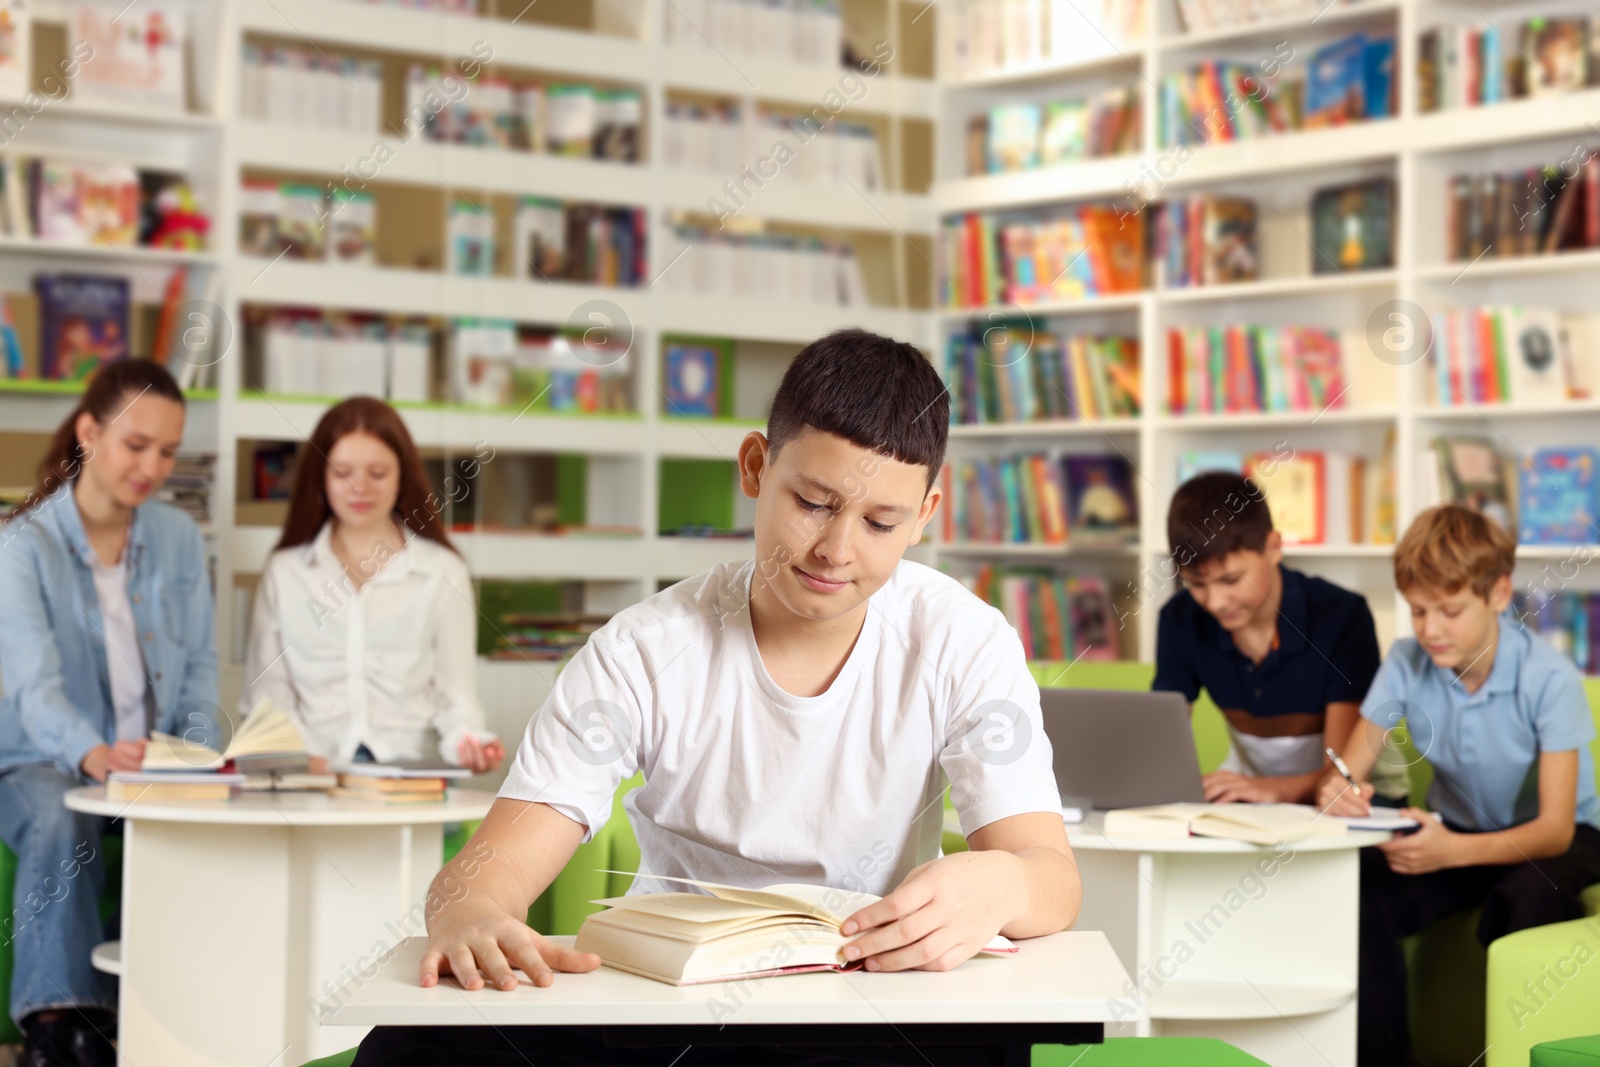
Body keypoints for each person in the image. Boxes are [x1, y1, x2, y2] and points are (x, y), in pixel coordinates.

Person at [351, 328, 1081, 1066]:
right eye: (813, 502)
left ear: (924, 515)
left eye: (880, 523)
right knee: (407, 1051)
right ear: (756, 466)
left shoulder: (965, 639)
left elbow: (1053, 879)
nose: (837, 548)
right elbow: (486, 872)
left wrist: (1006, 881)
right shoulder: (644, 648)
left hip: (863, 1000)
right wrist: (473, 915)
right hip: (672, 1008)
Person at [1319, 505, 1600, 1067]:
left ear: (1498, 594)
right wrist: (1338, 793)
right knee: (1360, 888)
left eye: (1449, 611)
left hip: (1561, 843)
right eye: (1418, 611)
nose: (1429, 630)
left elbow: (1553, 829)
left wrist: (1450, 851)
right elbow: (1345, 772)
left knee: (1524, 897)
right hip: (1458, 834)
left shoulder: (1549, 678)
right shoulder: (1405, 661)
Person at [0, 359, 219, 1067]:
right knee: (61, 812)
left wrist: (197, 755)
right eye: (136, 444)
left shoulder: (180, 540)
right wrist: (92, 752)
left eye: (168, 450)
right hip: (40, 755)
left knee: (194, 826)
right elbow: (33, 685)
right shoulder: (21, 545)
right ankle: (58, 1028)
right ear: (90, 433)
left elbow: (200, 673)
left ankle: (152, 1012)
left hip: (145, 757)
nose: (153, 465)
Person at [240, 396, 502, 773]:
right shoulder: (286, 572)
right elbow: (267, 696)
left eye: (377, 473)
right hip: (313, 773)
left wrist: (470, 744)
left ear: (402, 477)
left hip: (410, 773)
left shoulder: (442, 570)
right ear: (321, 477)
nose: (360, 487)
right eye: (342, 472)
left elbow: (456, 700)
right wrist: (300, 756)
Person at [1152, 470, 1410, 804]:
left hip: (1361, 797)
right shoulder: (1180, 619)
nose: (1214, 603)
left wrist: (1267, 791)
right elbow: (1160, 748)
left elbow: (1340, 773)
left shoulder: (1342, 616)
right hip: (1258, 800)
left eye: (1231, 580)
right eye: (1196, 584)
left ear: (1274, 547)